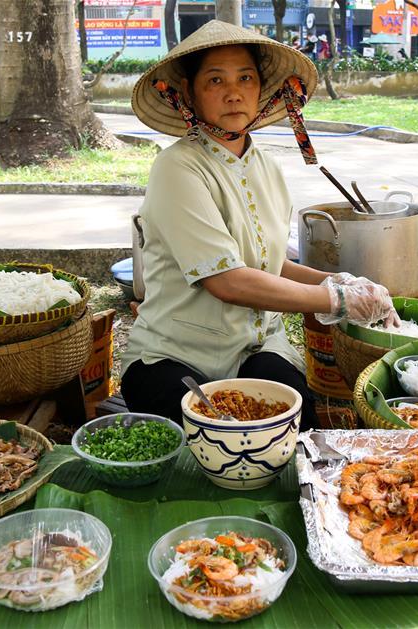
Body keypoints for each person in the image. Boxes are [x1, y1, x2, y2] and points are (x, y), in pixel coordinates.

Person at [122, 20, 399, 428]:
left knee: (296, 423)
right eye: (215, 80)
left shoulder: (267, 167)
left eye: (245, 78)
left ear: (260, 89)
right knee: (215, 435)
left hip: (255, 348)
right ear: (189, 93)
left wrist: (338, 281)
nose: (234, 92)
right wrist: (335, 301)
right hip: (172, 354)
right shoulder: (177, 166)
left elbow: (267, 264)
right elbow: (227, 280)